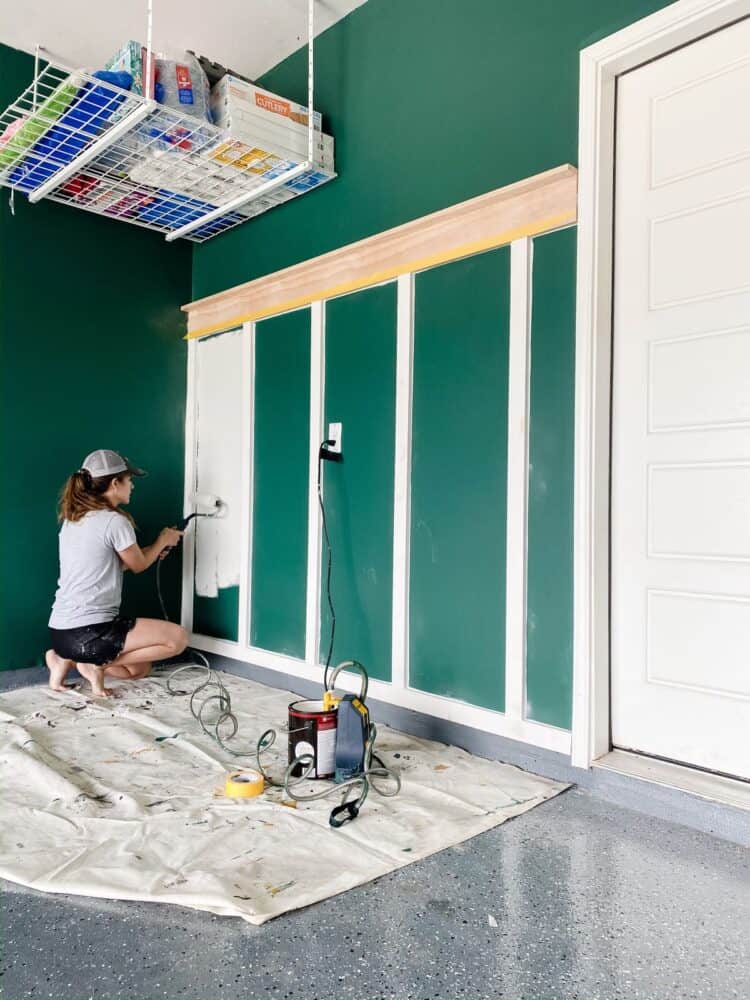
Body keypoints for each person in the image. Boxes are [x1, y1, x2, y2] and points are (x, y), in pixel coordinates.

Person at [46, 449, 188, 698]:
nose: (132, 486)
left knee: (138, 670)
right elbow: (138, 565)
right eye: (129, 480)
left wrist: (155, 549)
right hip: (92, 630)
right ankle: (97, 663)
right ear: (115, 483)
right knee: (176, 639)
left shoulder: (74, 519)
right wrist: (162, 539)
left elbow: (109, 565)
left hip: (61, 631)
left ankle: (63, 658)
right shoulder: (115, 521)